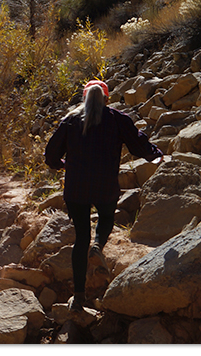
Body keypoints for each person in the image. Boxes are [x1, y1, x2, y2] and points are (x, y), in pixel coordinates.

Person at [44, 79, 163, 312]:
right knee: (107, 216)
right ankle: (98, 245)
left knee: (80, 239)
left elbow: (50, 156)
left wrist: (64, 164)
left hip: (76, 187)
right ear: (107, 98)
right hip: (105, 185)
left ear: (84, 98)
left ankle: (78, 297)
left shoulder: (70, 120)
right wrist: (157, 156)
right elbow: (139, 146)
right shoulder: (118, 119)